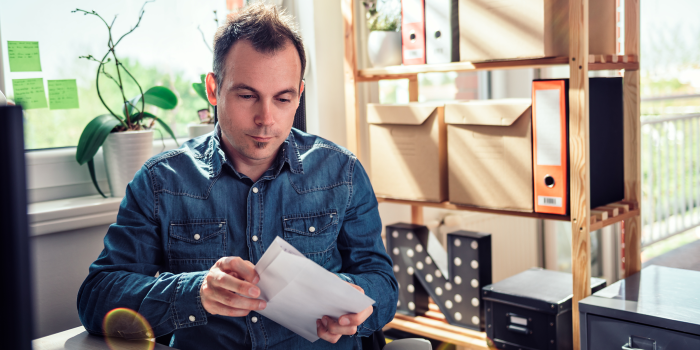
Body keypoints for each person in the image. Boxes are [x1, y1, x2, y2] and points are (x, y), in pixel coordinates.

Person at [77, 3, 398, 349]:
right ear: (213, 90)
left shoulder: (342, 174)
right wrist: (195, 292)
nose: (266, 118)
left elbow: (383, 285)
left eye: (283, 99)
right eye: (247, 95)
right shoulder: (161, 182)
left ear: (299, 95)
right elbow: (97, 297)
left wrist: (356, 300)